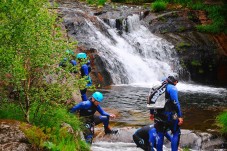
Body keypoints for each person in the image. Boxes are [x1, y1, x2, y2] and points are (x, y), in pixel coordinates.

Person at [150, 75, 183, 151]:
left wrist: (151, 113)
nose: (176, 84)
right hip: (170, 115)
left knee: (160, 134)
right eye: (176, 82)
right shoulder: (172, 88)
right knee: (176, 132)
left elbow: (151, 101)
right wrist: (180, 115)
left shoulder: (157, 87)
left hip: (158, 115)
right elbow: (175, 102)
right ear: (175, 81)